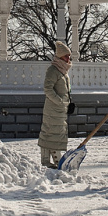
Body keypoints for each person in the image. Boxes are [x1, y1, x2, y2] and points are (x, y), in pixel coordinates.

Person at [38, 40, 73, 168]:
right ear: (59, 57)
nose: (68, 58)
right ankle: (50, 161)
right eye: (65, 56)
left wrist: (69, 103)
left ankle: (51, 161)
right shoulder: (53, 70)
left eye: (69, 56)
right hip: (53, 109)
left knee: (55, 133)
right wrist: (59, 101)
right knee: (51, 133)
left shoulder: (64, 72)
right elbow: (48, 88)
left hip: (61, 109)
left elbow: (65, 91)